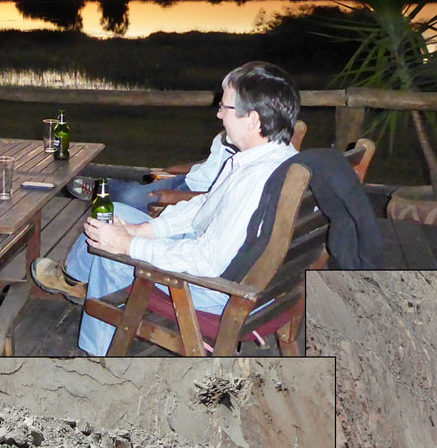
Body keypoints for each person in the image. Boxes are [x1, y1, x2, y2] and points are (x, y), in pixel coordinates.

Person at [30, 61, 300, 355]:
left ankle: (99, 358)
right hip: (256, 280)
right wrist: (144, 229)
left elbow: (206, 262)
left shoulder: (255, 180)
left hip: (222, 292)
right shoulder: (279, 160)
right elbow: (205, 206)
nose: (219, 115)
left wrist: (128, 246)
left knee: (112, 255)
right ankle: (78, 282)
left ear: (252, 119)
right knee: (114, 218)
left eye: (225, 108)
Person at [105, 131, 233, 212]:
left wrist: (180, 197)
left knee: (128, 198)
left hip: (201, 196)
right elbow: (208, 164)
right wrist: (168, 172)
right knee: (126, 194)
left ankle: (101, 190)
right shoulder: (226, 135)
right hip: (188, 179)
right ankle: (99, 187)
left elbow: (229, 197)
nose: (219, 114)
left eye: (224, 107)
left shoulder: (247, 155)